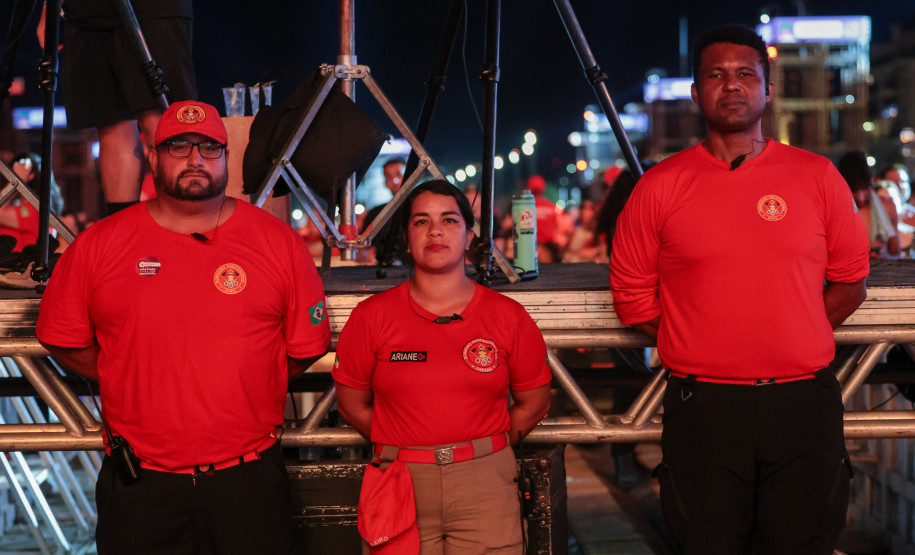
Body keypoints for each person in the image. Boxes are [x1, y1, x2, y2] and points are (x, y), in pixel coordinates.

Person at [609, 25, 869, 555]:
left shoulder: (817, 177)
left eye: (746, 74)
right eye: (716, 75)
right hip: (702, 408)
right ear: (696, 92)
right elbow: (632, 297)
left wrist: (793, 329)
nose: (732, 86)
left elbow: (850, 283)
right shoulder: (659, 186)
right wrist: (702, 339)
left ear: (767, 91)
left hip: (803, 402)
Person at [36, 100, 330, 554]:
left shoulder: (277, 242)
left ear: (226, 159)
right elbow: (62, 338)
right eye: (178, 146)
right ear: (152, 158)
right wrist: (130, 369)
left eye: (209, 148)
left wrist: (245, 376)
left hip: (247, 480)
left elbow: (304, 346)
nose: (195, 159)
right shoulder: (99, 243)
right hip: (142, 487)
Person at [334, 179, 552, 554]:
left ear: (469, 236)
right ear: (406, 237)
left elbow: (534, 404)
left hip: (486, 483)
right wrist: (406, 441)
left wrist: (482, 448)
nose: (435, 230)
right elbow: (352, 405)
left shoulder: (509, 317)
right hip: (399, 481)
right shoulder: (371, 317)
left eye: (449, 220)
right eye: (421, 221)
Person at [45, 0, 197, 215]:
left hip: (152, 8)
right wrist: (47, 8)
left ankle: (180, 228)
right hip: (83, 12)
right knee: (110, 125)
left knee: (161, 124)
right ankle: (124, 232)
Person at [838, 150, 901, 259]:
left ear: (871, 182)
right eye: (854, 190)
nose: (860, 197)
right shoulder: (834, 211)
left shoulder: (887, 206)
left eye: (864, 188)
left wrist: (881, 255)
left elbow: (895, 252)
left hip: (883, 272)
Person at [3, 152, 64, 250]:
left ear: (30, 175)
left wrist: (17, 181)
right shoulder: (36, 209)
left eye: (12, 173)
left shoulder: (34, 210)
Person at [362, 158, 408, 265]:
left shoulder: (423, 210)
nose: (395, 180)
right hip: (385, 275)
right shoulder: (376, 214)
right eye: (389, 177)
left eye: (399, 174)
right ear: (385, 183)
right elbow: (364, 248)